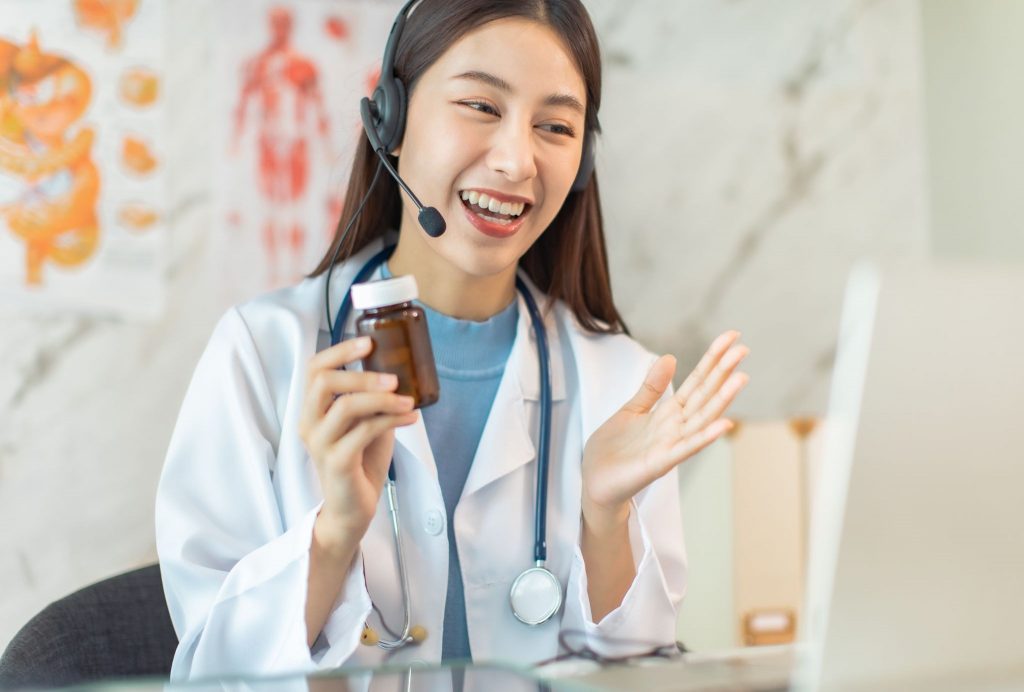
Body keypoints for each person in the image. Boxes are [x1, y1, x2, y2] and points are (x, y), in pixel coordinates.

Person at [155, 0, 750, 682]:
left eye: (555, 126)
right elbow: (209, 671)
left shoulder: (624, 386)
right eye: (480, 106)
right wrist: (335, 533)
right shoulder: (262, 357)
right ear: (392, 122)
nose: (516, 160)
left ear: (582, 161)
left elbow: (638, 674)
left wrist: (604, 518)